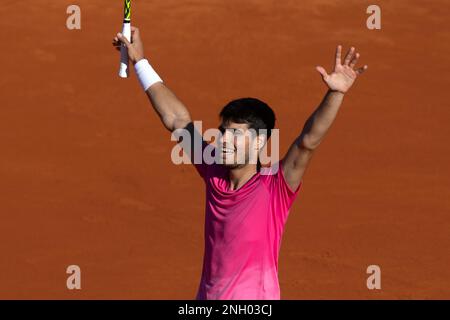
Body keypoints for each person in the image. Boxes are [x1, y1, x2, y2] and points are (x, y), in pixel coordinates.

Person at [112, 26, 368, 300]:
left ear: (259, 143)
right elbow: (176, 119)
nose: (223, 140)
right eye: (222, 132)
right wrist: (140, 61)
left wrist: (336, 94)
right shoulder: (213, 171)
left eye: (235, 135)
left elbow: (308, 142)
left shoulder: (275, 187)